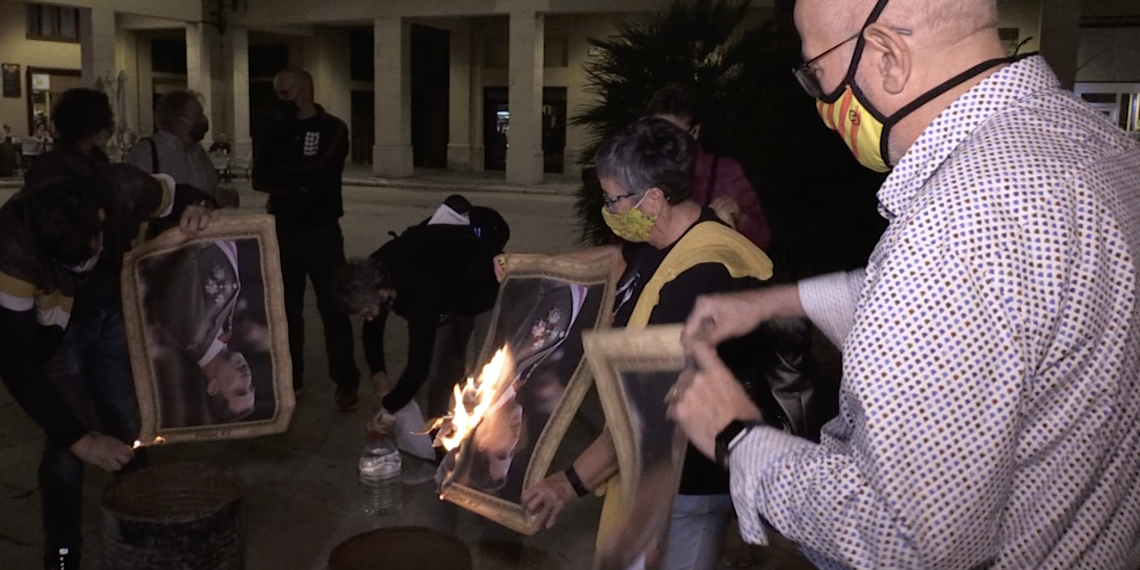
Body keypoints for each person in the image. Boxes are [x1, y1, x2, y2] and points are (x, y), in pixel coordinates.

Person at [668, 0, 1140, 569]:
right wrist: (778, 300)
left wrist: (737, 433)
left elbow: (901, 538)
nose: (821, 105)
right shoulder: (1097, 143)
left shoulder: (956, 219)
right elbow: (986, 313)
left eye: (816, 74)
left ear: (887, 56)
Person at [518, 117, 814, 570]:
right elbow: (617, 258)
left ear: (653, 199)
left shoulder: (697, 278)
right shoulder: (671, 235)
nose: (608, 210)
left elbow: (649, 410)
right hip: (658, 462)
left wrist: (567, 484)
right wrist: (533, 265)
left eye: (612, 199)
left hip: (687, 480)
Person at [2, 88, 217, 570]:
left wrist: (201, 207)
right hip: (56, 336)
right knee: (64, 441)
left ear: (103, 218)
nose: (90, 262)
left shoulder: (121, 188)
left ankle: (144, 522)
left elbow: (185, 193)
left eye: (95, 250)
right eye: (74, 264)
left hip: (108, 318)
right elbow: (17, 364)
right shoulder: (12, 251)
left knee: (128, 419)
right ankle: (61, 550)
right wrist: (82, 440)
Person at [331, 195, 506, 462]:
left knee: (487, 374)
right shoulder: (374, 271)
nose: (368, 318)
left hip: (482, 289)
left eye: (367, 311)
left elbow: (417, 366)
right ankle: (442, 445)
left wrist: (388, 409)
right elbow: (373, 327)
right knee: (442, 372)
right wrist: (378, 372)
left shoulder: (418, 291)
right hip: (447, 290)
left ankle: (490, 451)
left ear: (384, 293)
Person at [253, 66, 359, 410]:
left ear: (304, 91)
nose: (280, 100)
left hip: (323, 233)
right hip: (283, 232)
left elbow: (321, 175)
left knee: (334, 309)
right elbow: (260, 177)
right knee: (286, 311)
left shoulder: (333, 128)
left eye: (285, 93)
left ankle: (346, 382)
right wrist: (296, 182)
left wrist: (290, 180)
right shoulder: (275, 129)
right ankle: (291, 379)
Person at [647, 82, 771, 251]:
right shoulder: (639, 171)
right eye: (657, 133)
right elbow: (621, 247)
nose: (664, 144)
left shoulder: (725, 171)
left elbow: (762, 239)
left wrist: (741, 216)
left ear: (695, 132)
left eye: (674, 135)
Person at [143, 240, 256, 426]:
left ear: (213, 387)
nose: (247, 378)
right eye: (251, 386)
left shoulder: (189, 331)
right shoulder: (220, 334)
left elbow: (186, 251)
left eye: (239, 390)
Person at [126, 90, 220, 202]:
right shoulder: (147, 152)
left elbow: (210, 190)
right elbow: (135, 199)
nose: (204, 120)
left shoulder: (198, 152)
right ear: (178, 121)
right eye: (198, 116)